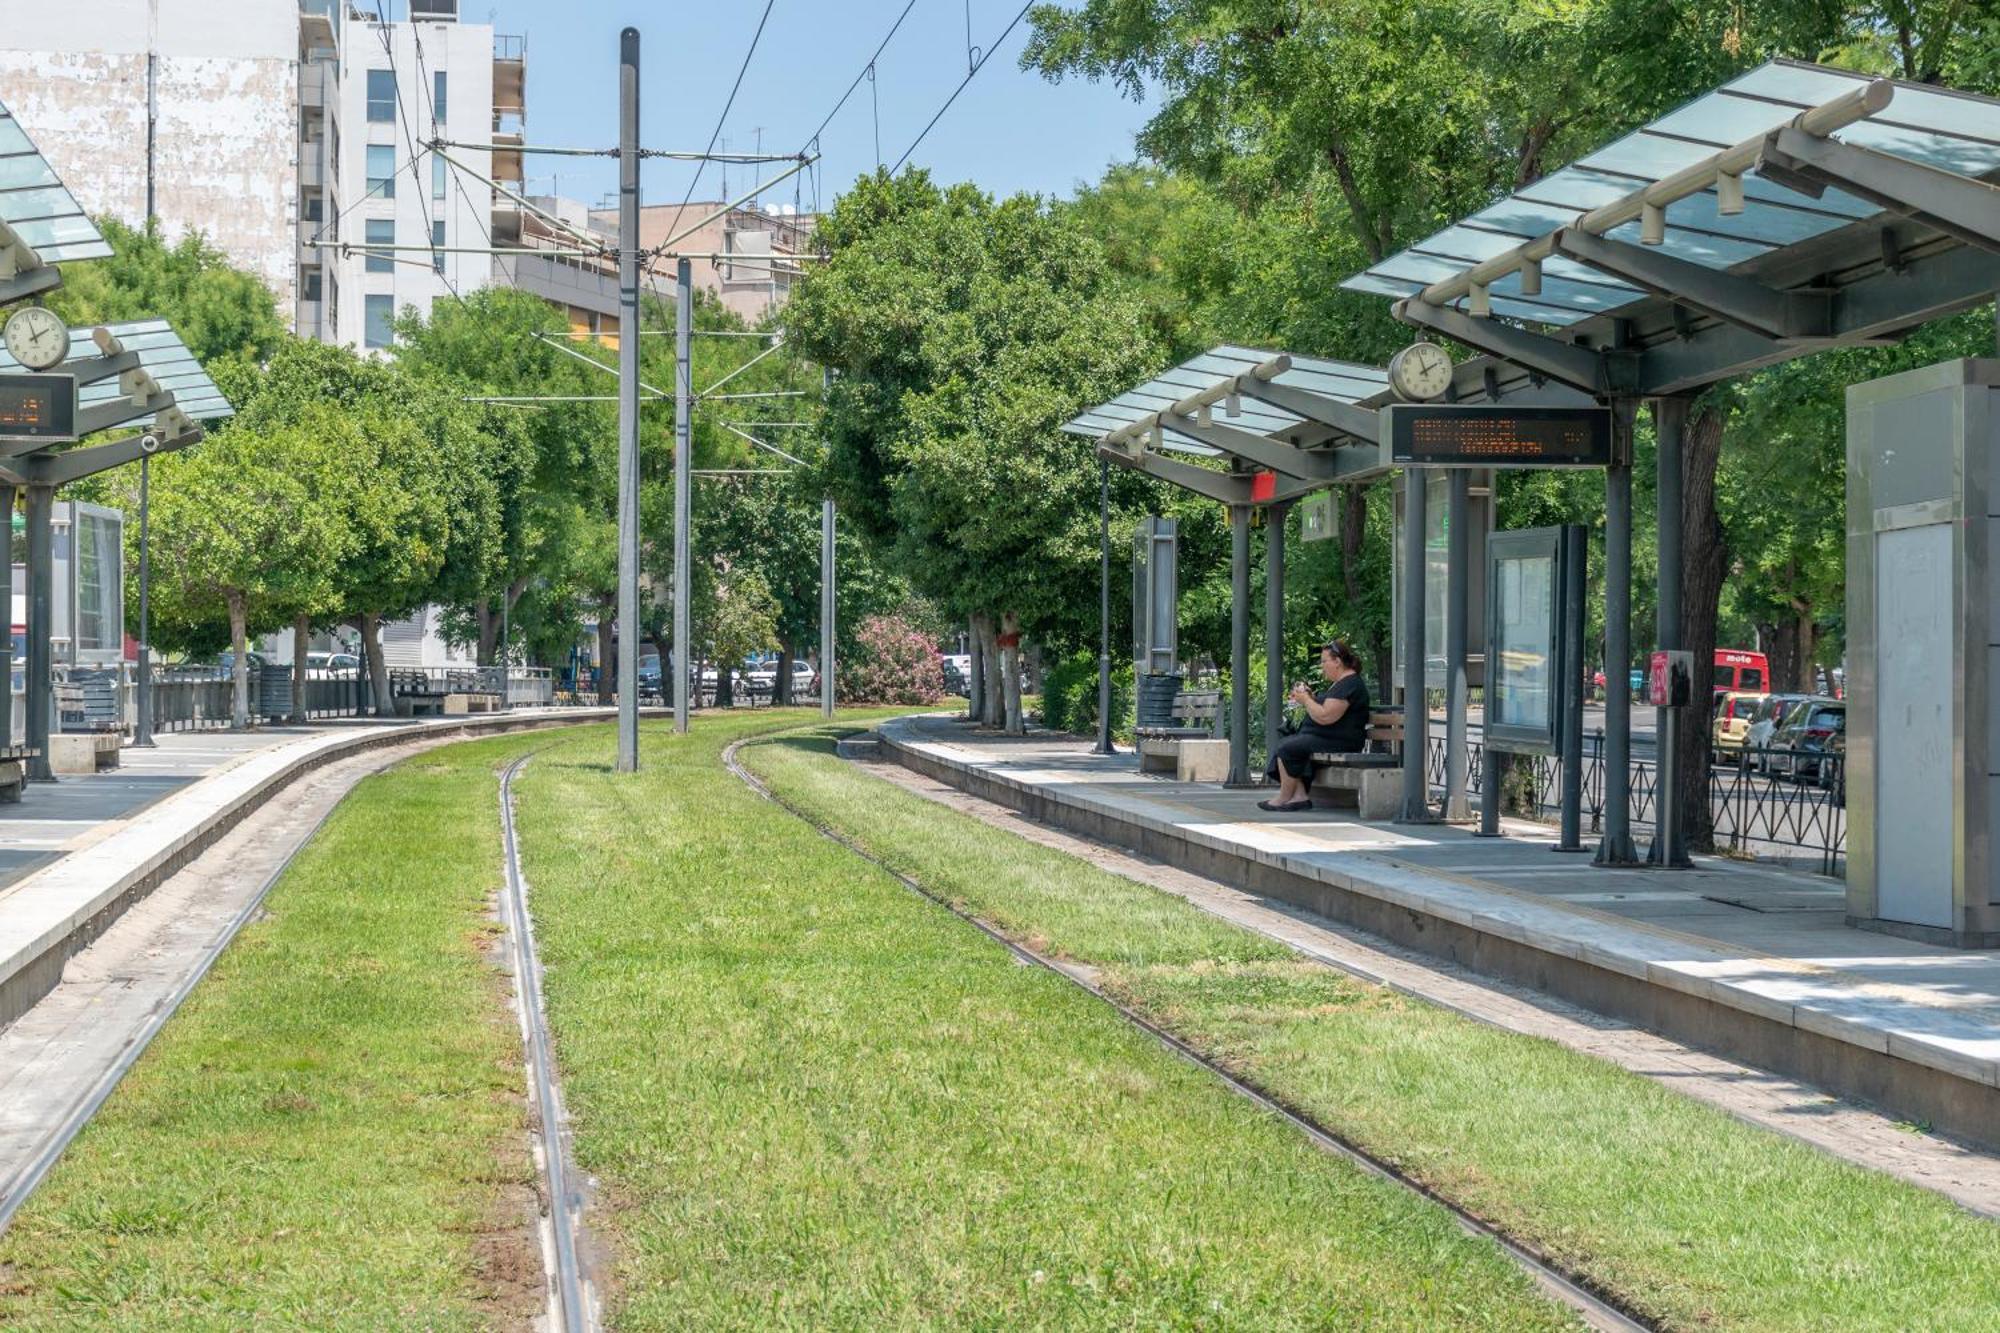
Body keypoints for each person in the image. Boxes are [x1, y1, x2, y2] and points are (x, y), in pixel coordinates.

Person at [1259, 639, 1370, 813]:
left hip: (1340, 741)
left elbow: (1326, 716)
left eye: (1324, 661)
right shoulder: (1341, 683)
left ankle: (1284, 797)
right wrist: (1308, 698)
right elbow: (1324, 709)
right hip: (1326, 738)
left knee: (1288, 748)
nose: (1322, 666)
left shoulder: (1350, 684)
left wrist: (1306, 700)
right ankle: (1299, 796)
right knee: (1290, 743)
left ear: (1337, 661)